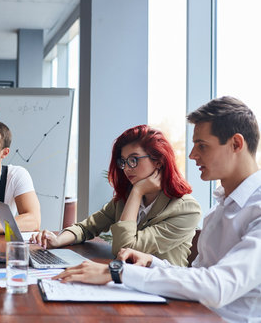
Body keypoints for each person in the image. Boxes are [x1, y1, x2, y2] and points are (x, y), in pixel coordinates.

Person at [54, 97, 261, 322]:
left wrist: (119, 272)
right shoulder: (220, 208)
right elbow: (198, 276)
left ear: (236, 144)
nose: (192, 155)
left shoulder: (254, 209)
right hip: (192, 312)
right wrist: (152, 263)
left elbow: (218, 286)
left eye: (202, 145)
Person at [32, 125, 201, 266]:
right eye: (123, 161)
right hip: (124, 282)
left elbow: (126, 246)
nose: (127, 168)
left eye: (134, 160)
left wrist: (137, 192)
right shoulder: (125, 199)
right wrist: (57, 240)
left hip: (163, 294)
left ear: (159, 161)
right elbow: (86, 227)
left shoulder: (186, 209)